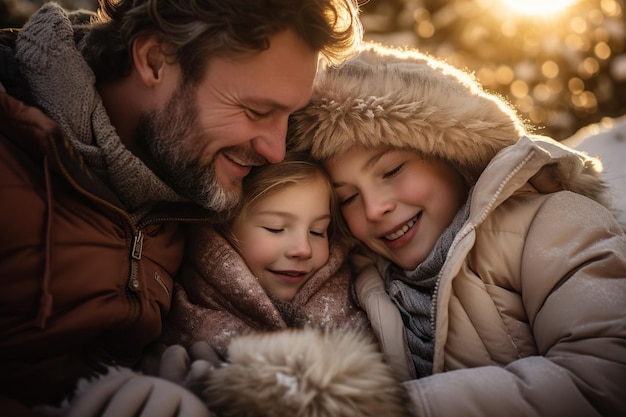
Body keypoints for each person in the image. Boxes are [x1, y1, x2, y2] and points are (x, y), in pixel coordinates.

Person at [0, 0, 362, 415]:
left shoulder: (196, 181)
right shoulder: (12, 156)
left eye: (289, 116)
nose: (276, 150)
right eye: (257, 111)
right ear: (155, 61)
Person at [289, 42, 626, 417]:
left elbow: (605, 377)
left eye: (392, 171)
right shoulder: (363, 278)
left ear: (453, 154)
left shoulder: (553, 224)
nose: (374, 208)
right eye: (348, 197)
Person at [160, 151, 370, 359]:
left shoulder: (360, 299)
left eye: (317, 231)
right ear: (224, 230)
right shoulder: (183, 320)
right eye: (275, 228)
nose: (304, 249)